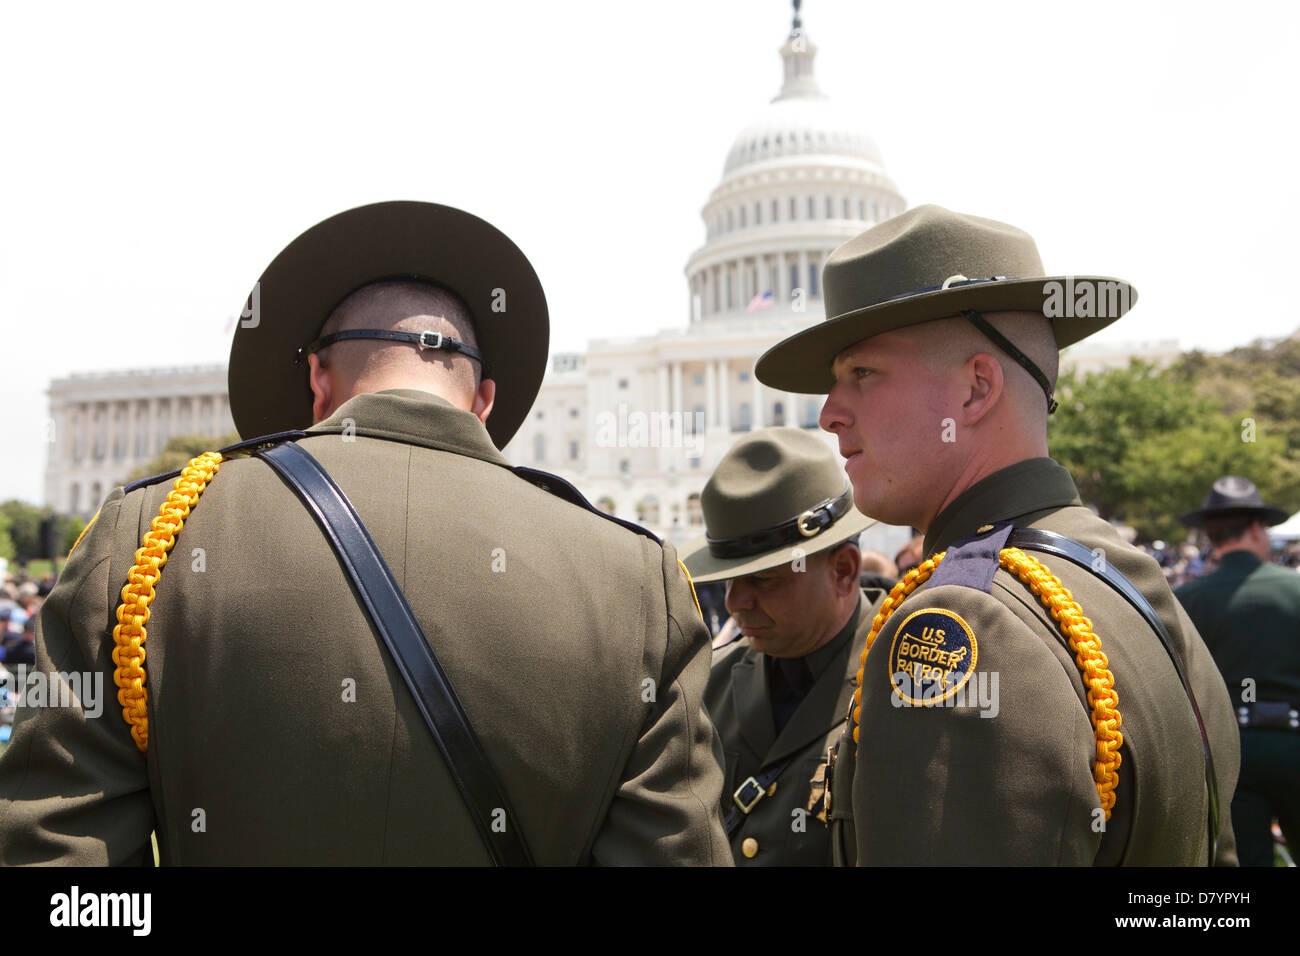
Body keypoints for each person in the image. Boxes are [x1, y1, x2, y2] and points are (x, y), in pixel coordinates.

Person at [0, 201, 730, 866]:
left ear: (318, 380)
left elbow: (57, 864)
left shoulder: (150, 539)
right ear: (484, 400)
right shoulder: (636, 584)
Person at [754, 204, 1241, 865]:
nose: (830, 415)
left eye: (862, 374)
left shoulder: (966, 621)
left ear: (976, 389)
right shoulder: (1128, 577)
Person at [682, 427, 881, 865]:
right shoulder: (707, 684)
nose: (735, 603)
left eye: (764, 579)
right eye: (729, 579)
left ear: (844, 571)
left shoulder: (904, 683)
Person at [1176, 476, 1299, 866]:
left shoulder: (1184, 600)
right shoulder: (1294, 589)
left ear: (1211, 537)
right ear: (1258, 529)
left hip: (1230, 751)